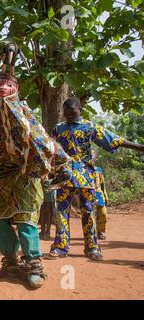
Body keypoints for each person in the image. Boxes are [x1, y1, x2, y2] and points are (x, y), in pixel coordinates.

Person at [0, 47, 73, 288]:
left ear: (15, 90)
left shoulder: (26, 116)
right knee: (1, 221)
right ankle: (11, 261)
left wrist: (62, 160)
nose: (3, 89)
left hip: (26, 174)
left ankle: (34, 264)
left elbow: (43, 140)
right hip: (2, 177)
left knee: (26, 221)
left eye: (8, 85)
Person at [49, 97, 144, 261]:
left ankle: (92, 248)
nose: (69, 116)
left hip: (86, 174)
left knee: (88, 211)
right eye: (66, 113)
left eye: (72, 113)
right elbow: (49, 148)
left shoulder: (89, 126)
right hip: (64, 175)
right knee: (61, 211)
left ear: (80, 110)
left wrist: (140, 147)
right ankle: (60, 247)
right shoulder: (58, 128)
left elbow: (112, 139)